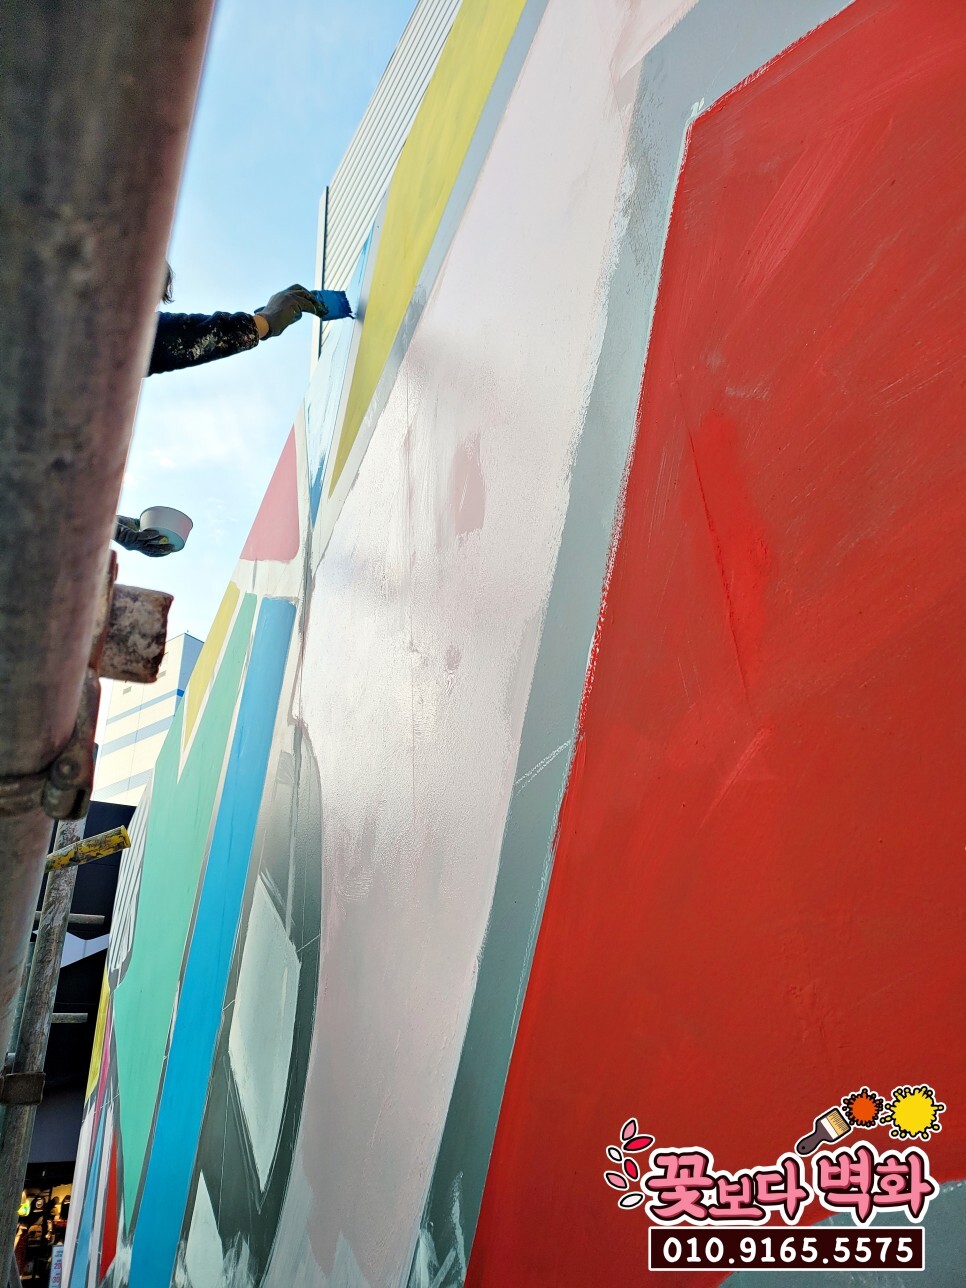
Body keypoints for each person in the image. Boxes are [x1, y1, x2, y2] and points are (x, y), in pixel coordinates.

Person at [115, 266, 351, 556]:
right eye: (147, 300)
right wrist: (265, 321)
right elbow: (182, 337)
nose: (147, 313)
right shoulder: (101, 328)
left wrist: (112, 527)